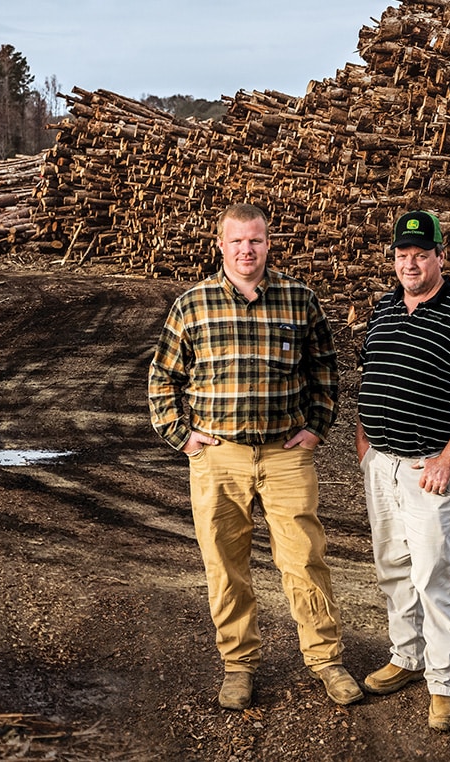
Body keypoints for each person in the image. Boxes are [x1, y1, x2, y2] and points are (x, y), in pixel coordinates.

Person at [148, 202, 363, 710]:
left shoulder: (299, 300)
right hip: (219, 456)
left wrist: (316, 428)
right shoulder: (192, 304)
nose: (247, 250)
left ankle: (326, 659)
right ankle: (238, 665)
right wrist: (181, 436)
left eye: (256, 240)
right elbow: (162, 378)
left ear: (269, 243)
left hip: (286, 455)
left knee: (305, 560)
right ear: (220, 245)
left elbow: (326, 371)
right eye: (237, 241)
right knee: (225, 564)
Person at [355, 210, 450, 731]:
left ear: (441, 256)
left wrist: (448, 458)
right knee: (393, 567)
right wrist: (365, 444)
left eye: (421, 254)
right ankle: (407, 655)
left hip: (428, 467)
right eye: (402, 255)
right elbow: (370, 376)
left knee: (433, 575)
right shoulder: (383, 309)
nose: (410, 263)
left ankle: (444, 682)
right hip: (382, 462)